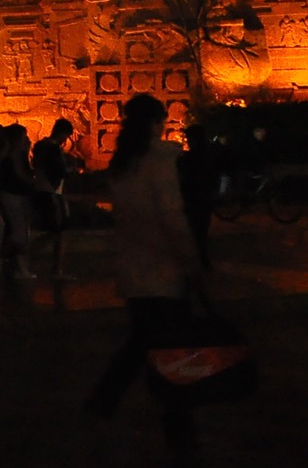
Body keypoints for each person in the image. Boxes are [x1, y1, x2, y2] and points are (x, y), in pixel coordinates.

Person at [85, 94, 203, 462]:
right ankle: (176, 426)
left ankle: (104, 401)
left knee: (143, 341)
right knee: (170, 348)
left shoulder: (123, 164)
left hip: (135, 266)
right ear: (156, 122)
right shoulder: (160, 159)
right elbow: (171, 215)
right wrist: (190, 260)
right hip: (163, 266)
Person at [31, 118, 77, 278]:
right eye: (66, 136)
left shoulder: (39, 147)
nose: (66, 141)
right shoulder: (53, 149)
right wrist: (72, 168)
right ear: (62, 133)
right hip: (52, 191)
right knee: (60, 231)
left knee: (52, 230)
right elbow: (59, 171)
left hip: (41, 188)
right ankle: (57, 269)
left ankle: (23, 255)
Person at [0, 124, 37, 278]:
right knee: (19, 232)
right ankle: (3, 258)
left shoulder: (11, 153)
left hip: (16, 193)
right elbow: (21, 174)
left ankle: (20, 267)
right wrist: (35, 181)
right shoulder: (13, 154)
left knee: (20, 230)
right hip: (13, 194)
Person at [178, 123, 220, 269]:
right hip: (205, 198)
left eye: (189, 138)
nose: (187, 141)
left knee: (195, 232)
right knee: (201, 232)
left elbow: (187, 177)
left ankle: (198, 263)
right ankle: (202, 261)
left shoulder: (193, 157)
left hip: (195, 199)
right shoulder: (208, 154)